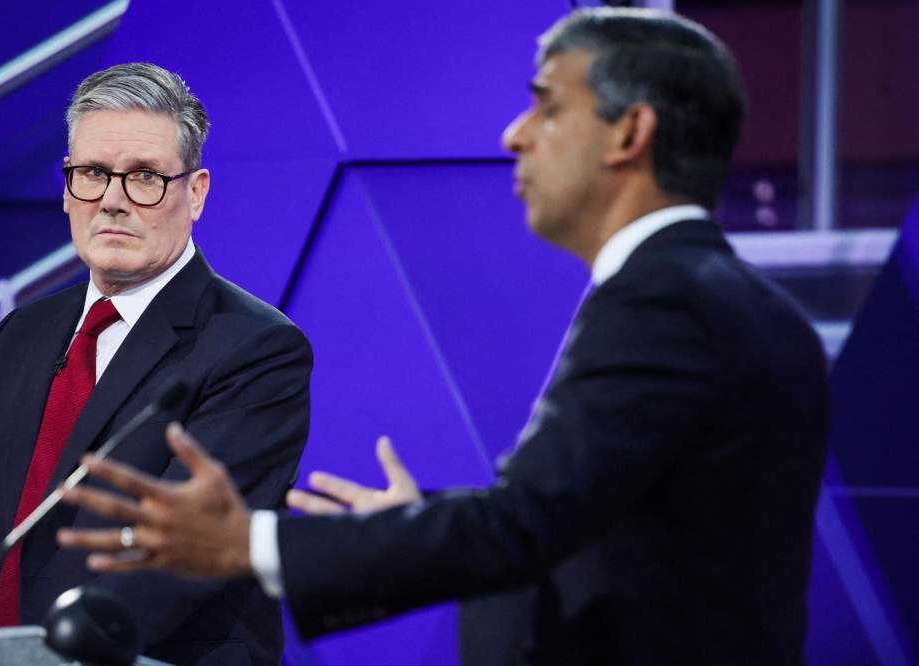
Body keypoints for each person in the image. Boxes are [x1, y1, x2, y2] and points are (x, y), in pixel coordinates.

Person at [57, 9, 830, 665]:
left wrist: (251, 544)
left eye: (547, 107)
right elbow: (612, 516)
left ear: (629, 131)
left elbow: (525, 526)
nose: (515, 134)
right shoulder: (740, 303)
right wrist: (413, 524)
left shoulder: (664, 302)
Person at [0, 63, 312, 666]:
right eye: (93, 173)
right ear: (67, 186)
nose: (112, 200)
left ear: (196, 192)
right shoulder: (22, 333)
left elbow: (179, 556)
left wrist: (54, 652)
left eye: (145, 177)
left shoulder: (256, 348)